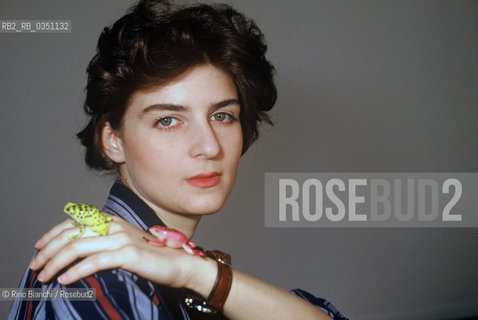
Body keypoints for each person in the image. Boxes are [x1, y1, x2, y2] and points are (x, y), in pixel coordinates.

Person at [9, 0, 348, 319]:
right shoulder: (100, 278)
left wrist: (197, 272)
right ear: (113, 141)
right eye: (168, 120)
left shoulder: (174, 267)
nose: (209, 147)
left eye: (223, 116)